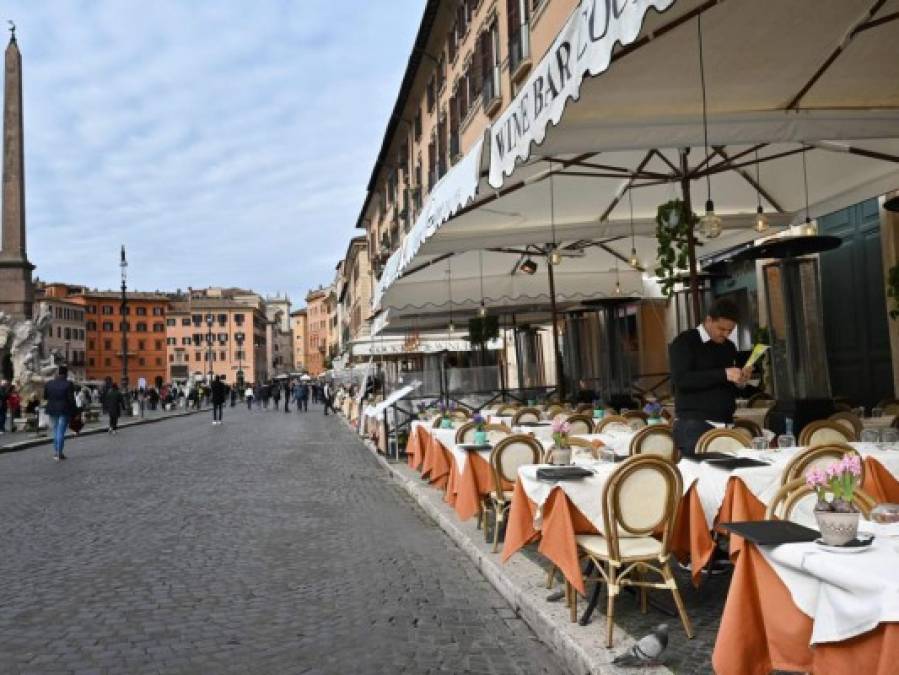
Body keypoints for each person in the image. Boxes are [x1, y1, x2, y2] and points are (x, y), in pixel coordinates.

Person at [669, 298, 751, 458]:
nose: (725, 334)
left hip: (727, 424)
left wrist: (741, 381)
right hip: (694, 425)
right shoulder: (685, 341)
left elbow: (725, 384)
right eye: (721, 329)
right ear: (708, 320)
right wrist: (724, 373)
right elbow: (681, 380)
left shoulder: (729, 346)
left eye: (730, 330)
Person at [44, 365, 77, 461]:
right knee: (61, 431)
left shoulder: (49, 383)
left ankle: (56, 452)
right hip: (64, 409)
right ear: (66, 374)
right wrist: (74, 411)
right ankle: (59, 453)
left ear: (57, 373)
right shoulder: (68, 384)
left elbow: (45, 397)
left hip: (52, 409)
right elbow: (71, 400)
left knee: (55, 430)